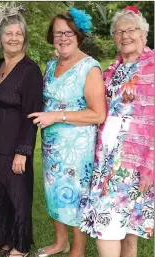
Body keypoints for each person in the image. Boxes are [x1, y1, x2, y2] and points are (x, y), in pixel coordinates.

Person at [28, 8, 106, 257]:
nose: (62, 38)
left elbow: (97, 114)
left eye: (68, 33)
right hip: (52, 146)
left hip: (77, 149)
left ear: (79, 35)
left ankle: (78, 250)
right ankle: (60, 242)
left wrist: (57, 116)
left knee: (75, 198)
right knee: (54, 194)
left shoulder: (89, 68)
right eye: (57, 33)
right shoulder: (52, 65)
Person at [79, 6, 154, 257]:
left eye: (131, 30)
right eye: (119, 31)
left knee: (109, 225)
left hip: (134, 162)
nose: (125, 36)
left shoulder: (153, 68)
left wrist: (150, 165)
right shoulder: (114, 70)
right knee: (125, 230)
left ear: (143, 34)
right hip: (107, 158)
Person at [0, 3, 43, 257]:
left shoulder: (30, 71)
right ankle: (5, 237)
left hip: (14, 145)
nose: (14, 38)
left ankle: (21, 246)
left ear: (25, 38)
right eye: (8, 33)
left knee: (18, 196)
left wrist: (23, 151)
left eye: (19, 34)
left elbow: (32, 115)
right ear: (0, 38)